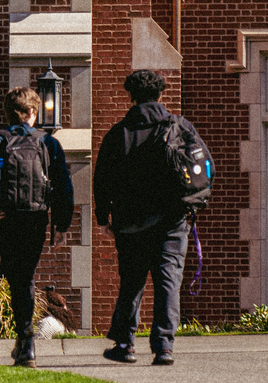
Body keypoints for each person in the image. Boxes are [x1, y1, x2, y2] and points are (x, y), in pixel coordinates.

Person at [0, 87, 74, 368]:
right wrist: (61, 225)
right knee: (25, 275)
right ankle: (26, 345)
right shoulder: (48, 143)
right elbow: (63, 184)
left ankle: (25, 344)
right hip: (36, 217)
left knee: (18, 278)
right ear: (32, 113)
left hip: (6, 218)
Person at [94, 69, 196, 366]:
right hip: (172, 220)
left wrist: (104, 219)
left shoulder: (118, 133)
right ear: (161, 94)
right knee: (168, 281)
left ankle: (125, 344)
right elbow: (200, 167)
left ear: (131, 96)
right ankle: (164, 347)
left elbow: (103, 180)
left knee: (132, 283)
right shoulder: (180, 127)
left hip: (130, 222)